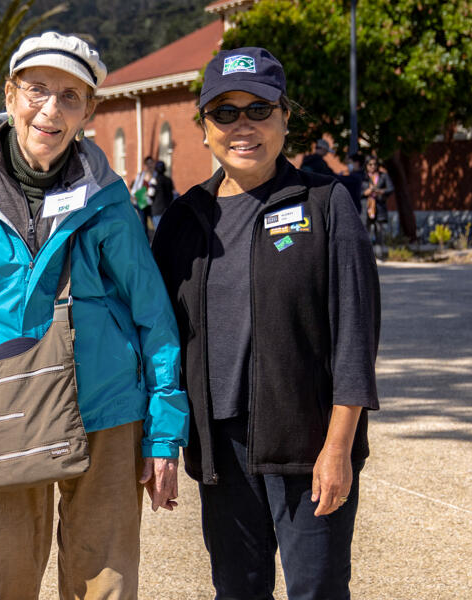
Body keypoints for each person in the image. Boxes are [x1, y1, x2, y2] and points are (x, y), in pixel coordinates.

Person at [0, 32, 188, 599]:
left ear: (89, 111)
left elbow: (153, 316)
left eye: (71, 97)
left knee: (107, 587)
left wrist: (165, 431)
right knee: (2, 585)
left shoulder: (108, 199)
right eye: (37, 90)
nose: (50, 110)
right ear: (10, 94)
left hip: (106, 407)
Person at [151, 47, 380, 600]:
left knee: (318, 590)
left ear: (284, 118)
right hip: (221, 450)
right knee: (237, 591)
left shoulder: (325, 204)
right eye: (224, 113)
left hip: (309, 439)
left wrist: (338, 447)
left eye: (258, 108)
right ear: (204, 127)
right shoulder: (183, 219)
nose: (242, 125)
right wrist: (160, 440)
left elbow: (355, 331)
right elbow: (159, 340)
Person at [361, 156, 394, 257]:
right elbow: (355, 191)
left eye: (375, 164)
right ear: (366, 165)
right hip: (365, 207)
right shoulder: (362, 177)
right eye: (370, 164)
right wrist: (365, 192)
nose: (372, 166)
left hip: (379, 207)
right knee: (364, 230)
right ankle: (365, 255)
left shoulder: (383, 176)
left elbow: (390, 188)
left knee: (379, 230)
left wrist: (380, 191)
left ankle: (378, 254)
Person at [129, 155, 155, 227]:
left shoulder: (156, 174)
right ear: (145, 165)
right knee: (143, 224)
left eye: (151, 163)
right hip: (142, 201)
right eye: (148, 163)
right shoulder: (141, 175)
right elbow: (135, 188)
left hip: (152, 202)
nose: (150, 165)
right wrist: (134, 196)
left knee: (155, 223)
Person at [150, 160, 174, 229]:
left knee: (158, 233)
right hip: (167, 209)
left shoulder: (154, 180)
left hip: (157, 209)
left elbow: (151, 194)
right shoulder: (169, 180)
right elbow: (172, 194)